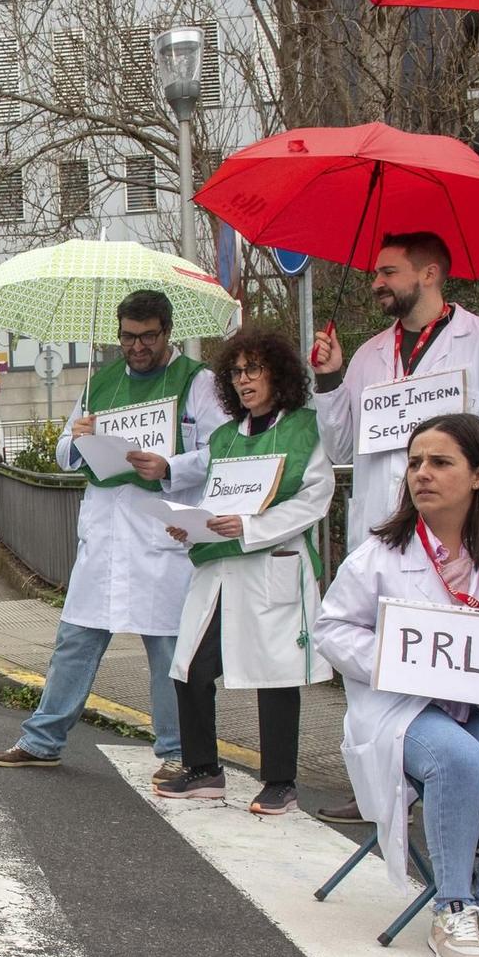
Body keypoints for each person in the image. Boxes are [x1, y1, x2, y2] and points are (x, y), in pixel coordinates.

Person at [312, 414, 479, 957]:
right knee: (458, 760)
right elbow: (332, 628)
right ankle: (453, 905)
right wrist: (393, 663)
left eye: (439, 462)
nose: (421, 474)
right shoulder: (381, 552)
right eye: (414, 463)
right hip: (407, 707)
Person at [311, 232, 479, 822]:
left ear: (431, 274)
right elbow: (340, 444)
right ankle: (385, 783)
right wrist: (331, 382)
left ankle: (455, 779)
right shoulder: (367, 355)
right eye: (375, 273)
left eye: (388, 271)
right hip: (384, 536)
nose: (377, 283)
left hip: (457, 542)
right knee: (378, 660)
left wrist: (470, 496)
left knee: (448, 663)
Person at [0, 289, 231, 777]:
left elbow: (222, 450)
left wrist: (170, 466)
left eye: (147, 337)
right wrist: (78, 443)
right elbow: (62, 451)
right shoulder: (101, 383)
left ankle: (176, 751)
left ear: (167, 333)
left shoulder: (197, 382)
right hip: (105, 533)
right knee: (75, 639)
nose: (137, 347)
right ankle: (42, 739)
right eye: (127, 337)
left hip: (162, 531)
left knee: (166, 647)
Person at [154, 329, 334, 814]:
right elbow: (216, 501)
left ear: (279, 374)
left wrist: (253, 526)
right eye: (236, 371)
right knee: (189, 666)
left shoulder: (304, 428)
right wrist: (192, 529)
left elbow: (315, 498)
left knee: (275, 674)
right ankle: (204, 769)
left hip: (272, 565)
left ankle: (281, 781)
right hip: (219, 569)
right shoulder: (224, 438)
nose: (243, 380)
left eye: (254, 369)